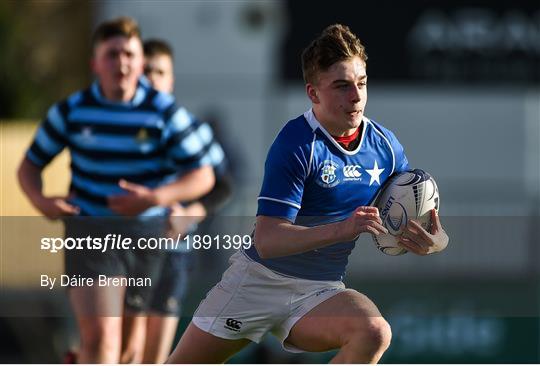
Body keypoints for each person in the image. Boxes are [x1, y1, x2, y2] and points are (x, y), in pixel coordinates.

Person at [167, 24, 449, 364]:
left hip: (319, 291)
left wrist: (436, 242)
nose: (356, 96)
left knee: (373, 332)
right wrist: (344, 229)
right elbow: (268, 241)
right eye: (342, 86)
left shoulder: (385, 147)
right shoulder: (296, 144)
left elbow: (411, 206)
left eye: (361, 83)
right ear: (313, 93)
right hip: (256, 284)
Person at [17, 17, 218, 363]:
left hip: (145, 237)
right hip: (91, 233)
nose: (121, 63)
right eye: (112, 54)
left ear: (140, 62)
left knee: (128, 351)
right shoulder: (72, 110)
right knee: (103, 343)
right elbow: (29, 166)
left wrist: (155, 198)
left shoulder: (162, 112)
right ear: (96, 63)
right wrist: (41, 201)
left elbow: (203, 176)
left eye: (128, 53)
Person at [120, 38, 233, 364]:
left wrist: (190, 213)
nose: (151, 78)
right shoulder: (116, 129)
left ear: (171, 79)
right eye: (145, 71)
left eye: (159, 71)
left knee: (155, 359)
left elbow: (223, 184)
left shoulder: (191, 130)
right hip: (127, 252)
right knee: (126, 353)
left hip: (174, 255)